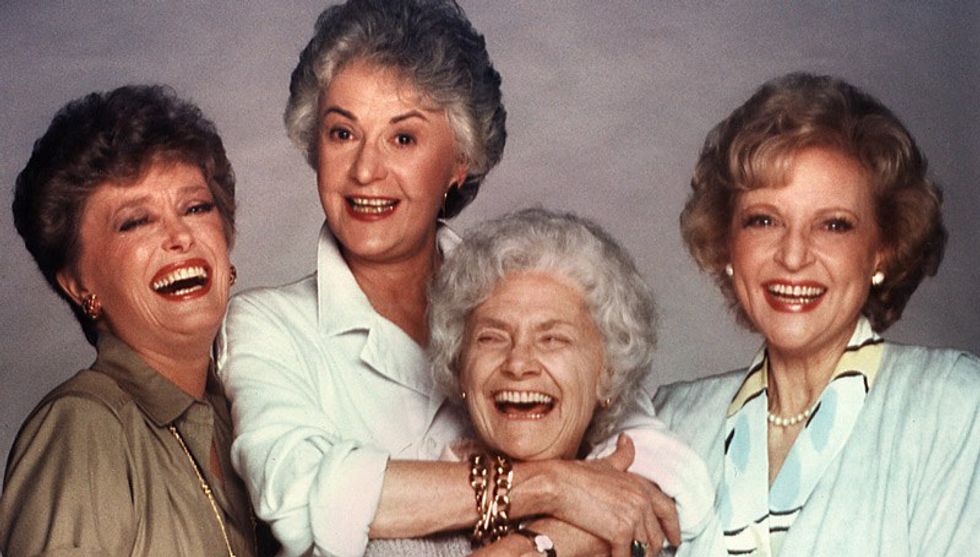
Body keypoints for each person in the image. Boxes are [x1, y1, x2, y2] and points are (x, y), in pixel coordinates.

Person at [218, 1, 713, 555]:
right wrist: (547, 485)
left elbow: (660, 470)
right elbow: (300, 500)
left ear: (460, 161)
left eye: (403, 139)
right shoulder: (267, 325)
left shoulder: (523, 282)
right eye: (342, 133)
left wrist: (538, 544)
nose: (365, 170)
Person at [653, 72, 980, 556]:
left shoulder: (952, 406)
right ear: (727, 243)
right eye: (764, 220)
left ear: (882, 250)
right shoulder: (673, 424)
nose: (792, 256)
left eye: (833, 225)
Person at [363, 208, 721, 556]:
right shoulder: (399, 543)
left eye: (552, 339)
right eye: (492, 337)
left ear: (608, 375)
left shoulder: (655, 518)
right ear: (459, 368)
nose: (518, 363)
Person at [0, 85, 258, 555]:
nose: (180, 236)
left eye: (196, 207)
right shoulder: (84, 427)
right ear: (78, 284)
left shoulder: (251, 410)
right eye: (136, 221)